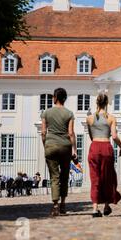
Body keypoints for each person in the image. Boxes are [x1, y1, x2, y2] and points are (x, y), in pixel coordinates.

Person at [87, 92, 121, 218]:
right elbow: (114, 136)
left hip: (94, 147)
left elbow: (91, 135)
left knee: (95, 178)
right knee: (107, 177)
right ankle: (106, 206)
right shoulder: (111, 118)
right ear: (107, 103)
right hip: (106, 148)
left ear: (97, 103)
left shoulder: (89, 118)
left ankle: (94, 208)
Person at [41, 88, 77, 217]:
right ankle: (63, 204)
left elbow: (43, 132)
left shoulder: (46, 113)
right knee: (64, 176)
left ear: (55, 97)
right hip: (65, 147)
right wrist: (75, 150)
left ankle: (55, 205)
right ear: (64, 98)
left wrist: (45, 144)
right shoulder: (69, 114)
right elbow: (71, 133)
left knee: (54, 177)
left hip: (51, 146)